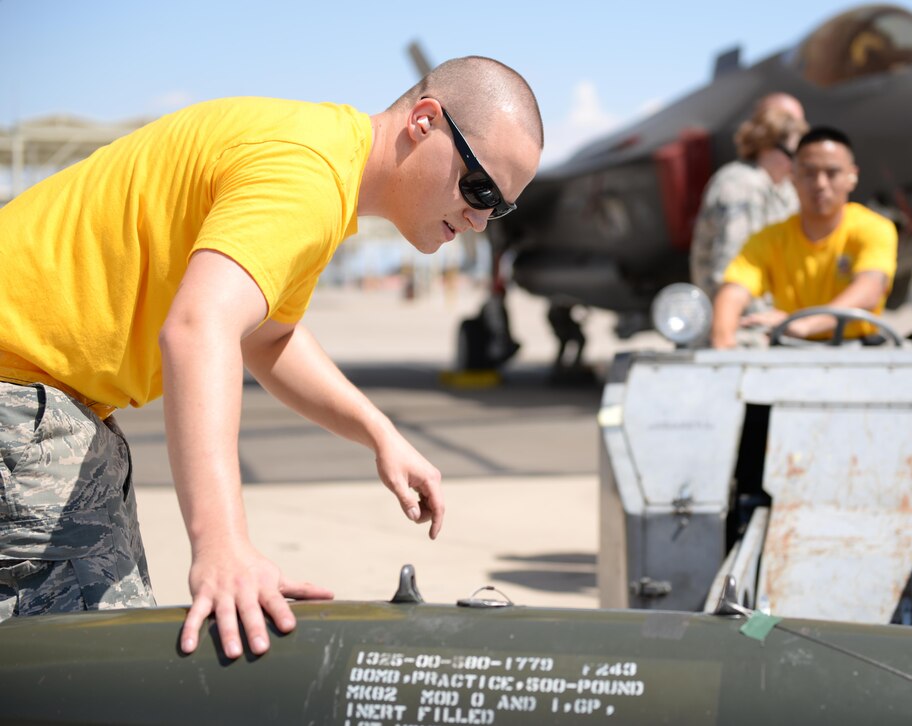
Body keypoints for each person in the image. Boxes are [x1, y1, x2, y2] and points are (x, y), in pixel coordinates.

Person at [0, 56, 543, 659]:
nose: (479, 220)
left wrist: (379, 435)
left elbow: (267, 337)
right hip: (20, 394)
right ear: (423, 121)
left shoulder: (320, 163)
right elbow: (199, 327)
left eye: (501, 208)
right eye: (480, 188)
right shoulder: (306, 176)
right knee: (85, 672)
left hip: (49, 401)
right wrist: (223, 546)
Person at [710, 126, 897, 348]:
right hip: (791, 349)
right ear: (792, 176)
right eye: (809, 173)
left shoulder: (874, 228)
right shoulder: (770, 238)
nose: (820, 184)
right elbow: (733, 291)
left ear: (851, 176)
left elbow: (869, 289)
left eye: (832, 173)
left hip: (859, 350)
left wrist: (807, 324)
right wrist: (723, 342)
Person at [689, 93, 808, 299]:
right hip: (744, 320)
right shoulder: (741, 185)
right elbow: (730, 275)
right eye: (794, 154)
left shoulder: (784, 188)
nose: (798, 163)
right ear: (769, 147)